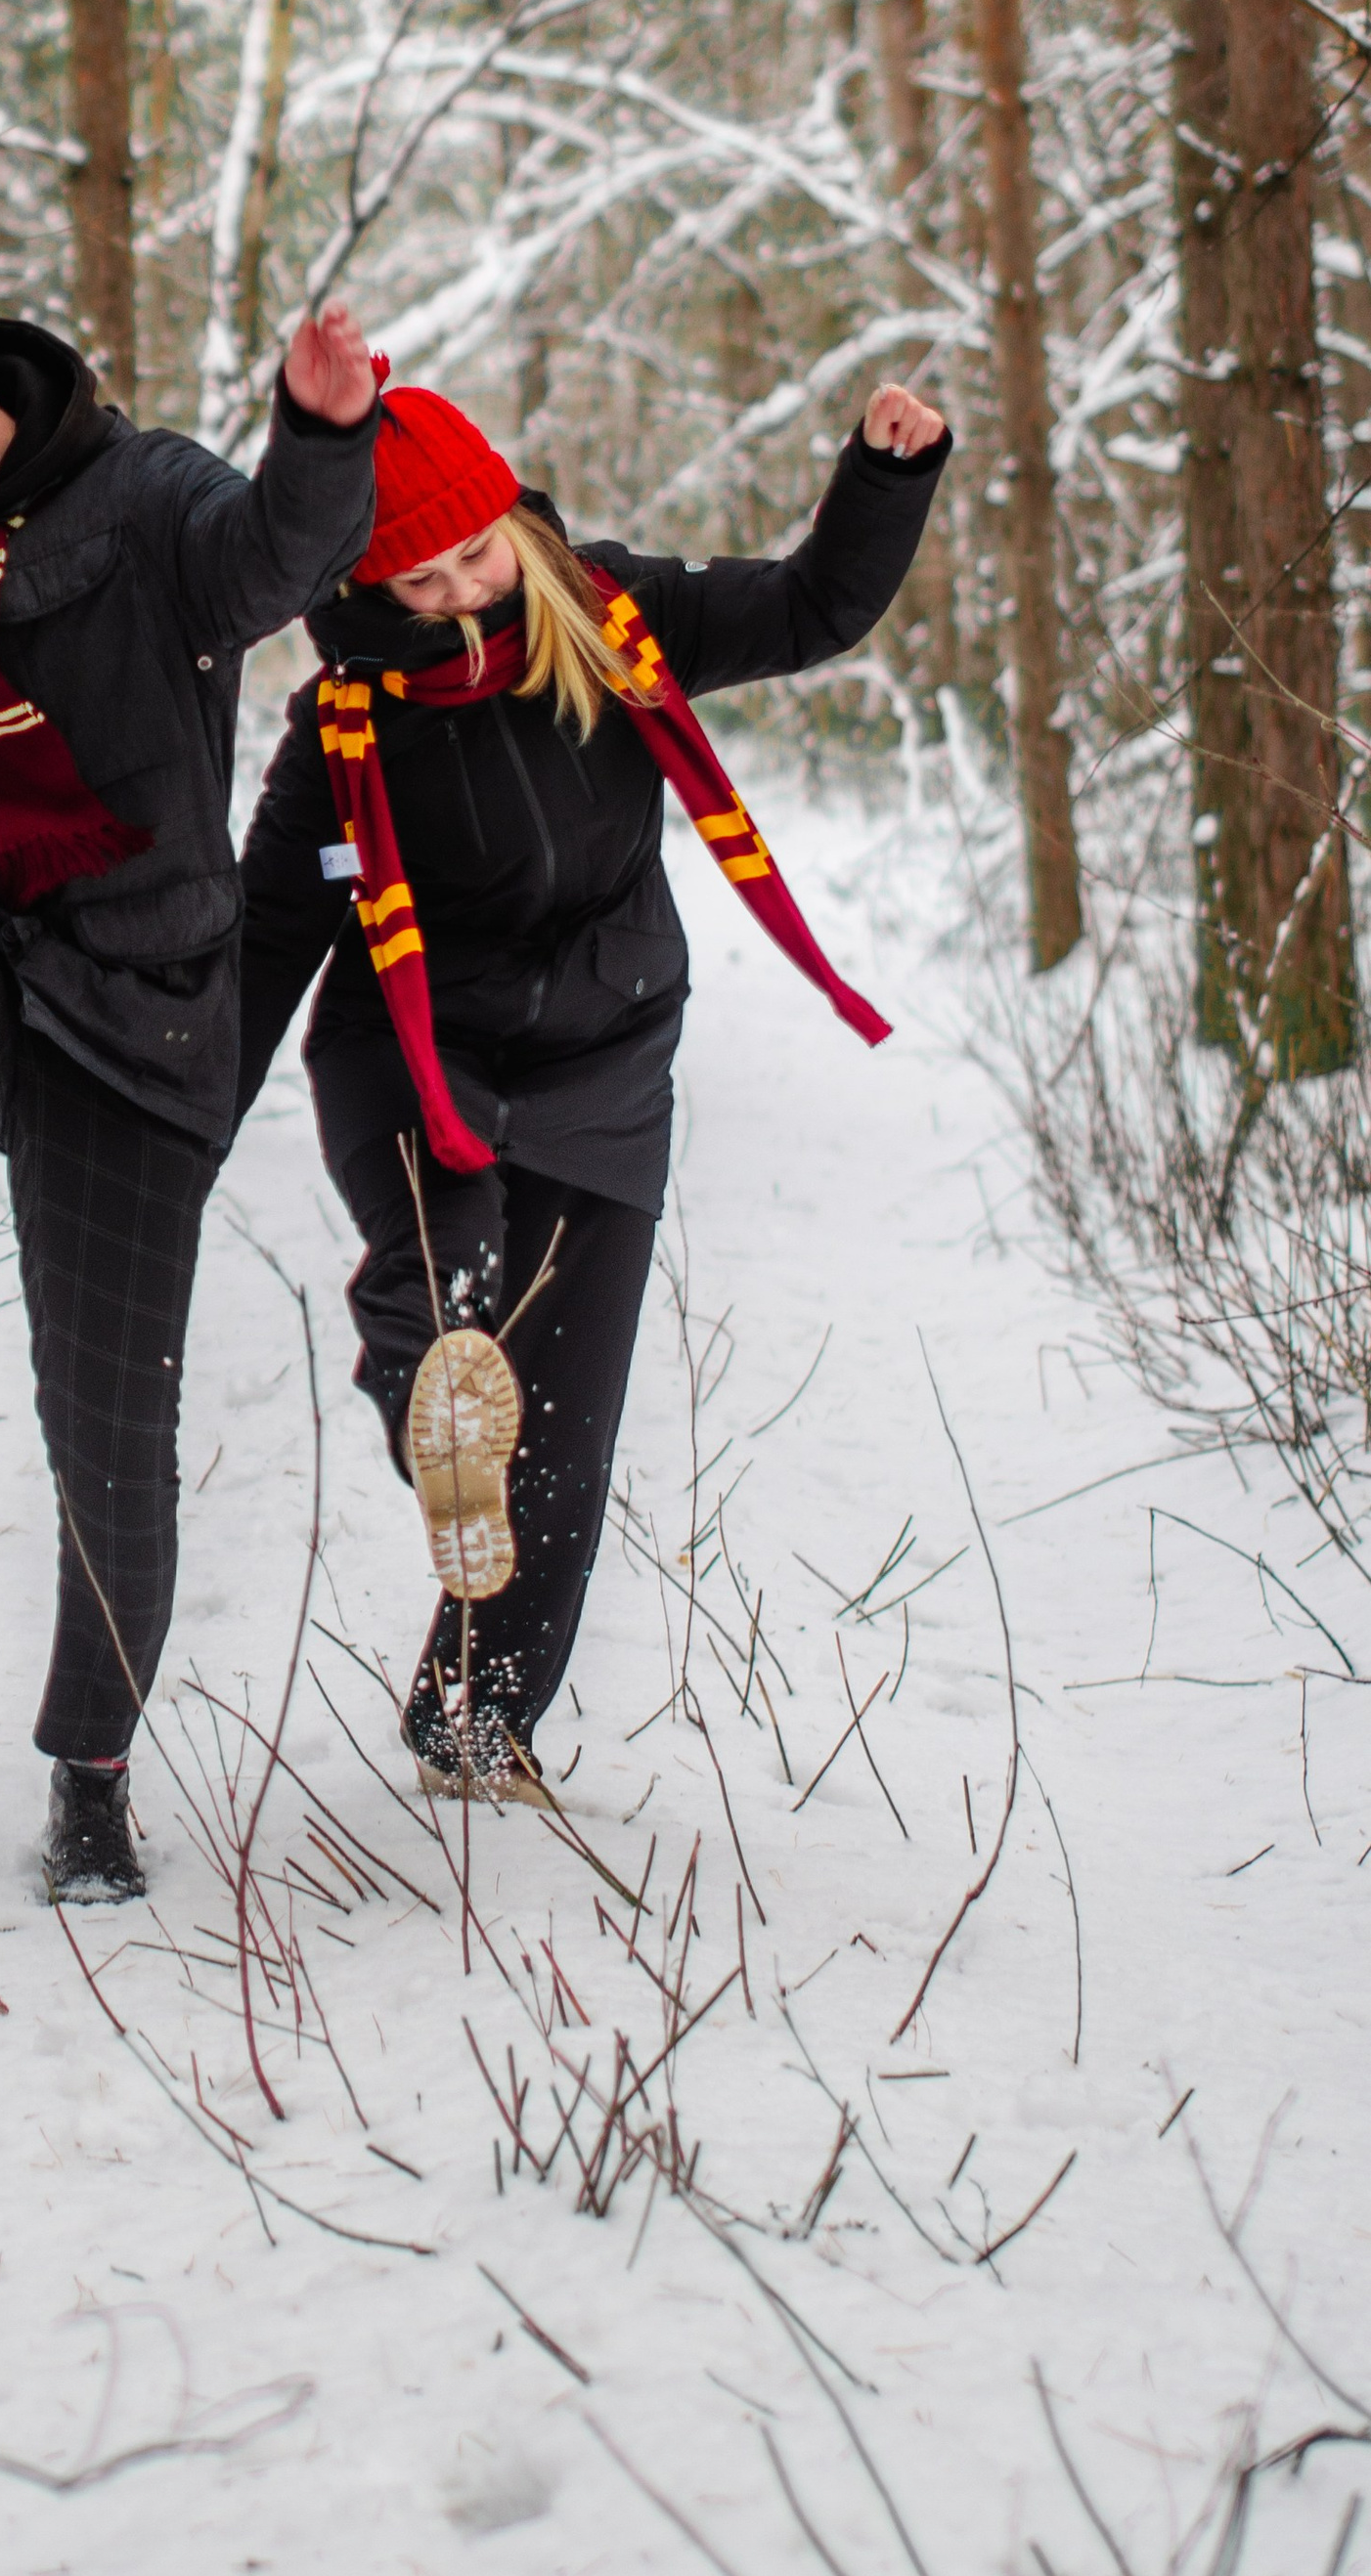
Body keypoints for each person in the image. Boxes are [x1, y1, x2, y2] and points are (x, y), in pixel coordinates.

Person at [234, 371, 951, 1797]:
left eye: (475, 554)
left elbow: (810, 607)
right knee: (458, 1286)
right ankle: (431, 1386)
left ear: (515, 516)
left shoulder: (617, 616)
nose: (456, 594)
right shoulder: (344, 723)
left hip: (606, 1059)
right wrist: (160, 1122)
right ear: (364, 587)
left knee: (559, 1447)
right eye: (416, 579)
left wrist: (883, 477)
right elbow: (263, 946)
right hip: (416, 1060)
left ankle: (475, 1725)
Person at [0, 254, 379, 1901]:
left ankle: (91, 1776)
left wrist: (324, 437)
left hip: (138, 1016)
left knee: (102, 1423)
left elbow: (276, 557)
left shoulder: (145, 500)